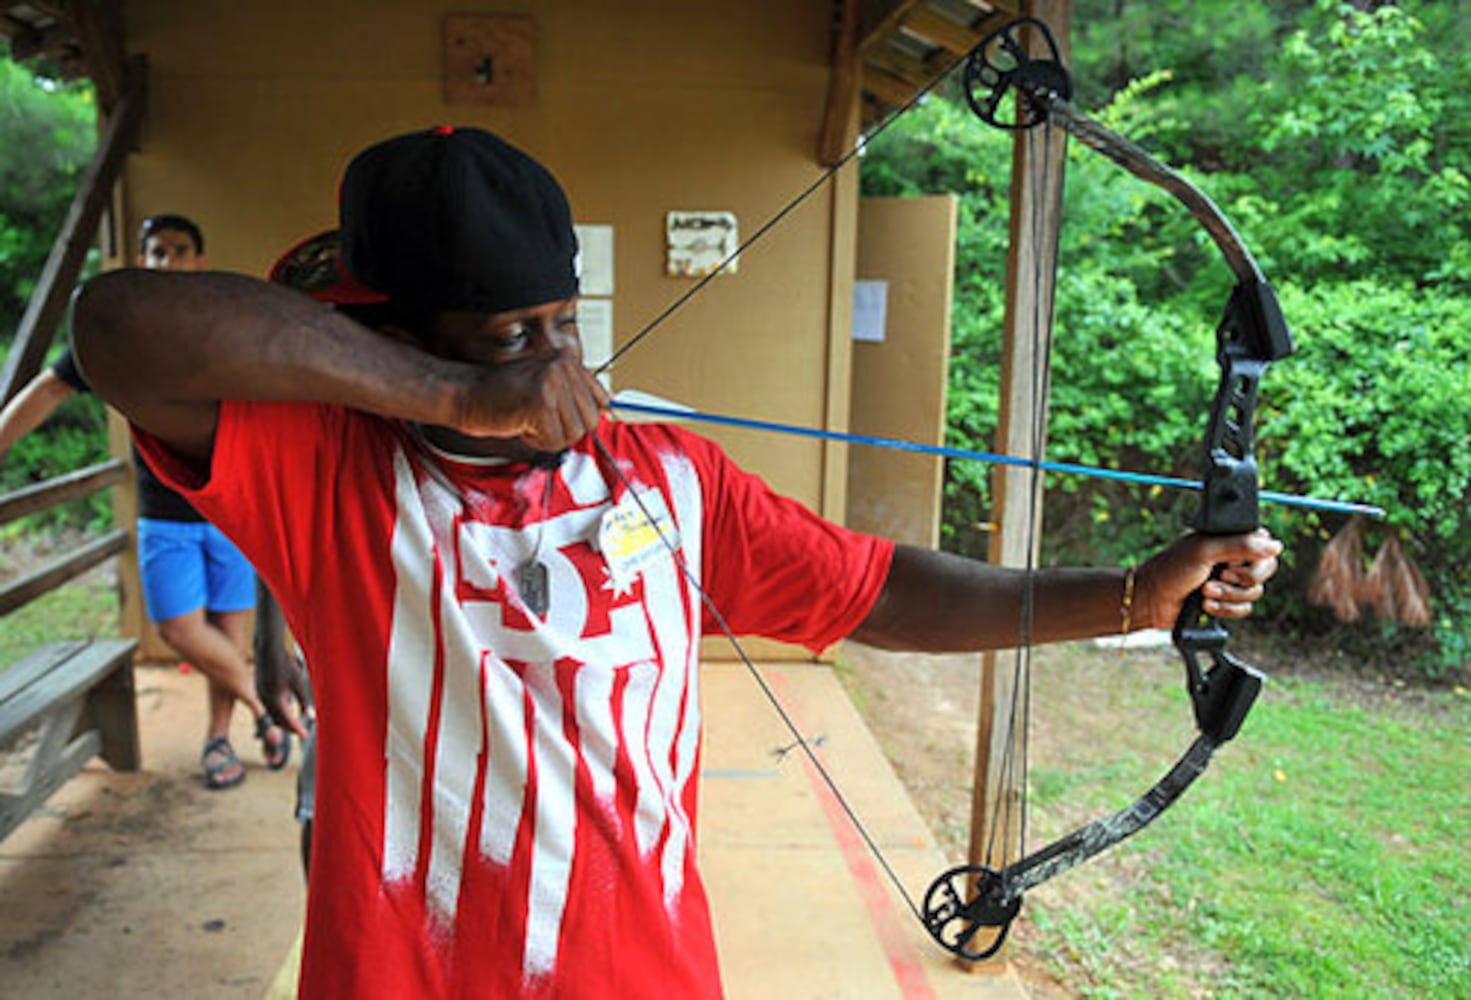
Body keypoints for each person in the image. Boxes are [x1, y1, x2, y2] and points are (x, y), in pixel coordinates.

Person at [71, 128, 1282, 998]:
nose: (555, 364)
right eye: (508, 335)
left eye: (563, 324)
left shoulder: (664, 473)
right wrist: (457, 397)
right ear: (377, 337)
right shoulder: (327, 473)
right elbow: (116, 327)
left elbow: (877, 588)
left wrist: (1131, 595)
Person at [0, 214, 290, 790]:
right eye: (155, 251)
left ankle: (218, 739)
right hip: (164, 513)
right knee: (180, 630)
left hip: (229, 509)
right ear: (140, 260)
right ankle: (267, 708)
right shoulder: (120, 339)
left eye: (178, 251)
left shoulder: (221, 327)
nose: (166, 262)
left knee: (230, 633)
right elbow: (50, 388)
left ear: (198, 263)